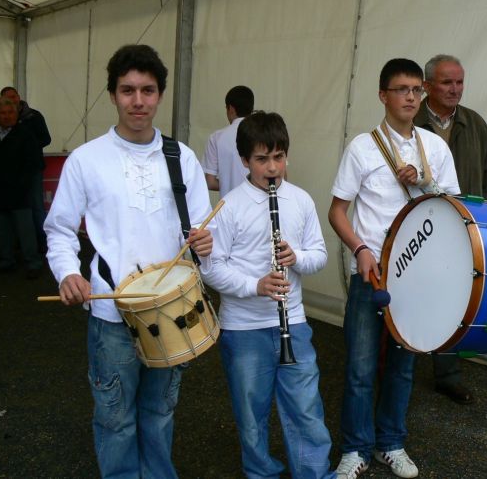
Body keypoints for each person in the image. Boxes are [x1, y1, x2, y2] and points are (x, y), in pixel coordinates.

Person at [44, 44, 214, 479]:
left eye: (148, 90)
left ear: (160, 95)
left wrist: (207, 243)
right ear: (113, 94)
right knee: (115, 417)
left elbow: (200, 232)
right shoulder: (86, 159)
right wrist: (66, 273)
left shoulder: (182, 158)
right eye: (127, 90)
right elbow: (59, 228)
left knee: (159, 413)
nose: (138, 101)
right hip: (111, 312)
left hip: (170, 312)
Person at [328, 59, 460, 479]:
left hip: (416, 276)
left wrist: (423, 180)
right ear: (382, 95)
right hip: (373, 272)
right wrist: (360, 249)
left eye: (415, 90)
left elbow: (454, 208)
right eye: (399, 89)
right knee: (361, 367)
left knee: (404, 365)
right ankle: (354, 449)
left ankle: (391, 443)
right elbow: (337, 212)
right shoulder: (362, 148)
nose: (409, 97)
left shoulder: (435, 148)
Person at [202, 111, 334, 479]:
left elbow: (319, 255)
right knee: (251, 415)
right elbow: (211, 267)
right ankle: (261, 474)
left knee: (306, 410)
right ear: (244, 161)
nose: (272, 167)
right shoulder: (228, 206)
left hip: (293, 321)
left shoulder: (301, 200)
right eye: (262, 159)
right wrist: (254, 285)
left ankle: (313, 473)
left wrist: (298, 258)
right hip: (244, 329)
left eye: (278, 157)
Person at [414, 54, 487, 404]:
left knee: (453, 297)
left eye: (460, 82)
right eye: (447, 82)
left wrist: (485, 223)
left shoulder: (475, 124)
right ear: (427, 85)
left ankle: (447, 373)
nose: (455, 89)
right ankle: (393, 367)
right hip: (419, 225)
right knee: (409, 294)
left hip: (463, 229)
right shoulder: (409, 122)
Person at [0, 87, 51, 248]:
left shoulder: (33, 116)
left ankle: (42, 242)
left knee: (35, 207)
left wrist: (24, 147)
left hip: (30, 170)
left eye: (13, 97)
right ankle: (14, 248)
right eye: (7, 99)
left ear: (18, 97)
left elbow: (46, 139)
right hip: (5, 175)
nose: (11, 101)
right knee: (6, 213)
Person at [0, 97, 43, 278]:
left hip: (19, 192)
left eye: (10, 113)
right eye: (3, 113)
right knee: (2, 232)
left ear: (16, 114)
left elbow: (34, 164)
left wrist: (23, 185)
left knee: (26, 231)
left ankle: (33, 263)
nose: (7, 116)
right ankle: (6, 261)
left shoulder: (26, 134)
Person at [202, 85, 254, 196]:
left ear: (230, 108)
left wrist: (229, 183)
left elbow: (210, 182)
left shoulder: (216, 137)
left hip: (229, 206)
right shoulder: (264, 134)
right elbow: (282, 176)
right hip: (261, 206)